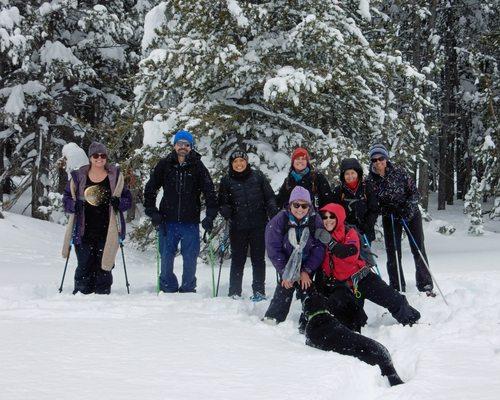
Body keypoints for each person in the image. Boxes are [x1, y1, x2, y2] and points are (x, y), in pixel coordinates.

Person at [315, 203, 421, 331]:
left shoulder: (350, 232)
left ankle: (413, 323)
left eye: (332, 216)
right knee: (353, 323)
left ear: (339, 217)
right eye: (324, 217)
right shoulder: (318, 236)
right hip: (343, 286)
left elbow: (350, 253)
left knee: (394, 299)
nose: (328, 220)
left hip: (363, 278)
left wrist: (330, 242)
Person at [143, 130, 217, 293]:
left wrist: (210, 216)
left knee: (190, 257)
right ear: (174, 145)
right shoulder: (165, 164)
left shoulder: (198, 166)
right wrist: (152, 211)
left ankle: (188, 287)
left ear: (191, 147)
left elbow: (210, 193)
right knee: (166, 256)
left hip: (190, 221)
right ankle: (167, 285)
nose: (182, 147)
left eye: (186, 145)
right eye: (179, 144)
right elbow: (150, 189)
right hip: (167, 220)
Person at [62, 142, 132, 294]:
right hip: (84, 227)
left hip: (108, 228)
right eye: (95, 155)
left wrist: (118, 202)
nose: (99, 158)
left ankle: (102, 292)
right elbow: (66, 197)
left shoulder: (115, 176)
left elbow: (127, 199)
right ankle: (82, 292)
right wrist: (74, 205)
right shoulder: (79, 176)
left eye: (103, 155)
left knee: (105, 263)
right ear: (90, 157)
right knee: (84, 262)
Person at [366, 144, 433, 294]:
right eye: (374, 159)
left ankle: (425, 284)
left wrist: (406, 208)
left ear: (386, 158)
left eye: (381, 158)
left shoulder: (399, 172)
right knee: (393, 251)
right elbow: (373, 203)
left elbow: (415, 194)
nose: (378, 162)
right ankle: (397, 286)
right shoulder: (370, 180)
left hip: (410, 214)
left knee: (418, 247)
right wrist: (386, 209)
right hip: (390, 216)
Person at [303, 293, 404, 387]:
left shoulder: (312, 330)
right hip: (380, 352)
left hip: (373, 355)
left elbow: (310, 349)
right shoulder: (331, 322)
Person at [218, 149, 278, 300]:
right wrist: (225, 209)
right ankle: (234, 292)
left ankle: (259, 291)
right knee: (238, 259)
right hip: (238, 227)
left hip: (258, 225)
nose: (239, 164)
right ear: (232, 164)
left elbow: (269, 196)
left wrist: (273, 211)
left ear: (246, 162)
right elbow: (223, 201)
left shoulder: (257, 176)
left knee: (258, 259)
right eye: (235, 162)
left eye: (241, 161)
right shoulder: (226, 180)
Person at [262, 186, 325, 325]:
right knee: (286, 285)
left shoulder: (315, 221)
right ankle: (273, 317)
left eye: (304, 205)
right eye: (296, 205)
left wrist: (306, 271)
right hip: (286, 261)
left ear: (309, 206)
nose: (300, 209)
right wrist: (285, 272)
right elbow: (273, 248)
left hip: (308, 262)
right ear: (290, 205)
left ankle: (311, 318)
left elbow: (320, 247)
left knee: (307, 287)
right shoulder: (280, 220)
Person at [331, 158, 378, 243]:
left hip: (365, 231)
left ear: (358, 173)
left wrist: (367, 225)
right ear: (343, 175)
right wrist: (345, 226)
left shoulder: (366, 187)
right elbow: (335, 213)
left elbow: (374, 209)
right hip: (346, 232)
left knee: (365, 255)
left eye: (353, 173)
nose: (350, 176)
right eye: (347, 174)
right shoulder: (339, 191)